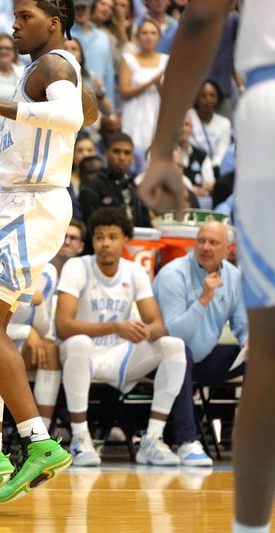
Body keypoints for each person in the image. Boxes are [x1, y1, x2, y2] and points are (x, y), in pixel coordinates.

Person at [0, 0, 98, 506]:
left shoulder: (54, 63)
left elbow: (72, 116)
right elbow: (87, 108)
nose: (13, 24)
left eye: (24, 15)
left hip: (31, 203)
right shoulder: (53, 67)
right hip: (19, 204)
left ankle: (37, 440)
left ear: (54, 22)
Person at [140, 4, 270, 529]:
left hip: (269, 100)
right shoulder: (180, 274)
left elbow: (200, 19)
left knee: (270, 352)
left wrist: (163, 147)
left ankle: (250, 528)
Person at [55, 207, 186, 467]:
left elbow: (158, 324)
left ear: (125, 240)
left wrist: (146, 331)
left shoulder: (134, 272)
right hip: (81, 355)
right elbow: (63, 326)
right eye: (100, 237)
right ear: (92, 240)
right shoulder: (77, 267)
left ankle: (152, 440)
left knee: (174, 346)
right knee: (79, 342)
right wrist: (115, 327)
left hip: (119, 356)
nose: (105, 243)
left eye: (113, 237)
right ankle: (81, 440)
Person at [153, 220, 245, 467]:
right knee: (180, 351)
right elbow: (175, 333)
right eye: (201, 241)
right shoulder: (173, 274)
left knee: (263, 356)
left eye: (213, 242)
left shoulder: (234, 277)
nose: (205, 247)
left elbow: (242, 324)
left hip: (205, 358)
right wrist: (204, 298)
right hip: (164, 359)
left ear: (228, 250)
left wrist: (251, 343)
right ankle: (186, 442)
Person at [79, 132, 152, 229]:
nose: (122, 157)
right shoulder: (91, 188)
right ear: (106, 153)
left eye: (127, 153)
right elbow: (91, 228)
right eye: (116, 151)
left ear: (132, 157)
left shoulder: (136, 189)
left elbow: (147, 225)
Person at [118, 18, 168, 154]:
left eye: (153, 33)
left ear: (159, 37)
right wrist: (150, 82)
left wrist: (158, 85)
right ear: (138, 36)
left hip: (157, 111)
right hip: (133, 111)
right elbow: (124, 91)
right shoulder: (128, 59)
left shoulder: (166, 60)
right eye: (144, 32)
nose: (148, 36)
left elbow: (170, 97)